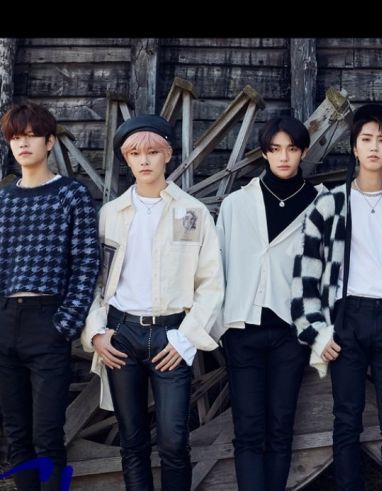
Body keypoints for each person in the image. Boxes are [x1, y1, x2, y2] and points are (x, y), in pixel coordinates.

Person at [81, 114, 224, 491]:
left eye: (152, 151)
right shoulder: (110, 214)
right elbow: (94, 280)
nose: (144, 160)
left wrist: (185, 338)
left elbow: (210, 282)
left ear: (168, 155)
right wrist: (96, 333)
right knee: (132, 441)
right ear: (126, 160)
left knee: (175, 440)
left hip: (170, 335)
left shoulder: (191, 213)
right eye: (134, 153)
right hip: (122, 334)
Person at [290, 103, 382, 490]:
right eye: (366, 139)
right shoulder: (329, 205)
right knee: (346, 421)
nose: (373, 147)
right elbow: (305, 276)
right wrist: (317, 332)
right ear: (353, 147)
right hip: (347, 319)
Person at [214, 115, 323, 490]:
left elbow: (329, 273)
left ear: (303, 152)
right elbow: (219, 267)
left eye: (292, 149)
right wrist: (221, 326)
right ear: (264, 153)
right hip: (242, 330)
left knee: (280, 428)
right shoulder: (236, 205)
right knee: (247, 429)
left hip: (291, 334)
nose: (284, 158)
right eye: (276, 149)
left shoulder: (322, 204)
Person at [0, 101, 99, 490]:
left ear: (49, 142)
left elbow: (87, 262)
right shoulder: (4, 201)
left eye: (29, 137)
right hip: (6, 321)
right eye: (14, 138)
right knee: (16, 436)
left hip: (48, 321)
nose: (22, 145)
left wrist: (65, 325)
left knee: (48, 438)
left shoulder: (71, 195)